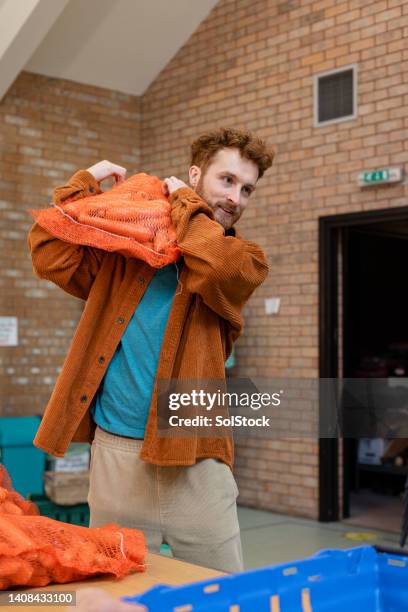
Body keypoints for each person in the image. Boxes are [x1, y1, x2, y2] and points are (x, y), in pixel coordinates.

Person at [29, 128, 274, 573]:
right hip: (117, 457)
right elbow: (49, 251)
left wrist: (184, 202)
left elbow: (215, 264)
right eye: (226, 180)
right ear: (195, 173)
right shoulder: (127, 254)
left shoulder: (243, 259)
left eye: (247, 189)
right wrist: (86, 182)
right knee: (115, 591)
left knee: (219, 594)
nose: (236, 197)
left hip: (196, 461)